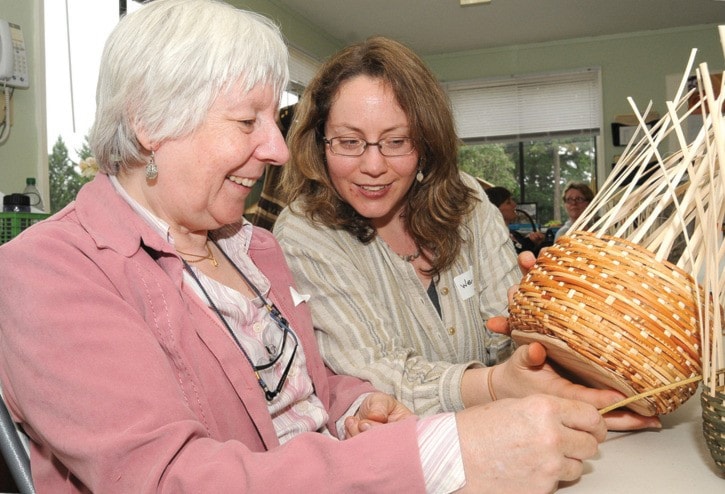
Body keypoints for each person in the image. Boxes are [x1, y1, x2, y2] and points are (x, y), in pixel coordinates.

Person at [0, 2, 629, 492]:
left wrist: (358, 408)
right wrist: (442, 456)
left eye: (273, 122)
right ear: (149, 122)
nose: (277, 149)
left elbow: (313, 385)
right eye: (248, 122)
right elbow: (170, 481)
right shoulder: (48, 272)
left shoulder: (254, 250)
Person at [273, 35, 658, 433]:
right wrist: (495, 384)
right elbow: (377, 370)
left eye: (397, 141)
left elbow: (508, 339)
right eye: (349, 142)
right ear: (319, 144)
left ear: (426, 144)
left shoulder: (467, 199)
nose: (373, 165)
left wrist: (541, 328)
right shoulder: (304, 233)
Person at [484, 186, 545, 256]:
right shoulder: (494, 240)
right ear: (495, 209)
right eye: (508, 202)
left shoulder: (515, 235)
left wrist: (534, 242)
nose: (514, 204)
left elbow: (523, 249)